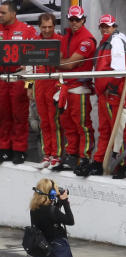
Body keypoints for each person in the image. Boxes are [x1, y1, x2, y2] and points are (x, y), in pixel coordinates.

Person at [53, 6, 96, 174]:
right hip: (65, 87)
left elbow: (68, 63)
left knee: (82, 125)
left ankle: (85, 158)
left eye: (77, 19)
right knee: (67, 124)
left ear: (84, 19)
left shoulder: (88, 39)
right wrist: (65, 62)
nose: (74, 22)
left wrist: (63, 62)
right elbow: (62, 61)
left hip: (80, 87)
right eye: (71, 19)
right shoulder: (66, 37)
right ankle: (71, 155)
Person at [89, 14, 126, 177]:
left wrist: (111, 88)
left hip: (113, 95)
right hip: (105, 94)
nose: (105, 28)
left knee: (119, 130)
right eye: (103, 26)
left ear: (114, 26)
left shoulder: (116, 41)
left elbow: (120, 70)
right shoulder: (106, 42)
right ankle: (100, 162)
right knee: (105, 130)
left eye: (108, 26)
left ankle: (122, 165)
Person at [0, 0, 37, 165]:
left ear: (13, 13)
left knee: (20, 115)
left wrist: (29, 85)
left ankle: (19, 150)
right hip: (1, 78)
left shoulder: (27, 30)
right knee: (3, 115)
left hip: (20, 78)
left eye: (3, 13)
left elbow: (33, 62)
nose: (0, 16)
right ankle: (4, 148)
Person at [32, 13, 62, 169]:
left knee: (54, 121)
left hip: (54, 85)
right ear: (39, 27)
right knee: (43, 122)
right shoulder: (34, 42)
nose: (47, 30)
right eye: (44, 27)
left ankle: (56, 155)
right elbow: (29, 67)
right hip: (39, 85)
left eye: (50, 27)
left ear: (54, 26)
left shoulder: (60, 40)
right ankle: (47, 154)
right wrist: (29, 86)